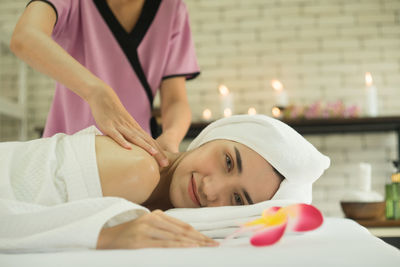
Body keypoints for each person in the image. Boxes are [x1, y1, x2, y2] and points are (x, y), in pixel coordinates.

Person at [0, 115, 330, 250]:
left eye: (239, 200)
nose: (211, 190)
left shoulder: (163, 211)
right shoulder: (138, 168)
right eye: (228, 161)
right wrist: (106, 235)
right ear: (214, 134)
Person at [10, 0, 200, 167]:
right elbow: (25, 37)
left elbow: (175, 99)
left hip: (134, 160)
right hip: (63, 157)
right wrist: (96, 92)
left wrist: (170, 138)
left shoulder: (173, 9)